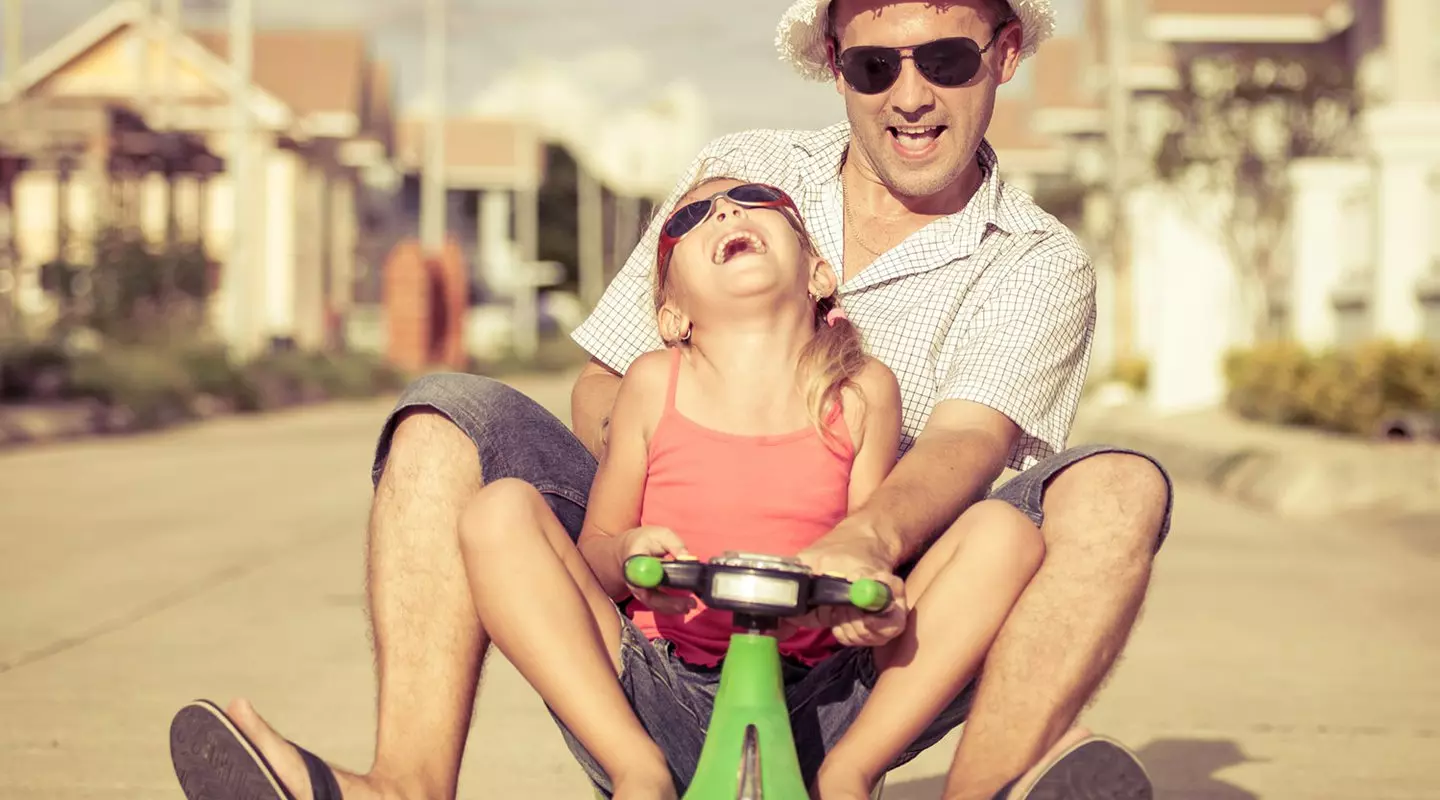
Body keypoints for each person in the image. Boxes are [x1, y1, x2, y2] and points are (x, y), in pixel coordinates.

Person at [167, 0, 1173, 799]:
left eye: (945, 58)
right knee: (444, 417)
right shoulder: (747, 175)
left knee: (1118, 486)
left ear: (1002, 53)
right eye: (876, 64)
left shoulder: (1035, 262)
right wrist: (677, 492)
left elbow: (963, 442)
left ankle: (974, 788)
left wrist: (861, 537)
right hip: (662, 628)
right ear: (835, 61)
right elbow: (606, 375)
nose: (909, 92)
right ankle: (405, 783)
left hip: (860, 653)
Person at [454, 175, 1047, 800]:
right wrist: (627, 555)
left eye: (757, 202)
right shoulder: (654, 385)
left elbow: (872, 548)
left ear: (818, 274)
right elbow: (595, 555)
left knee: (1003, 532)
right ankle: (636, 772)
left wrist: (868, 603)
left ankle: (849, 774)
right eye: (689, 220)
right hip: (662, 689)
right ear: (671, 313)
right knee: (499, 511)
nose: (727, 211)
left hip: (823, 694)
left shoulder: (863, 391)